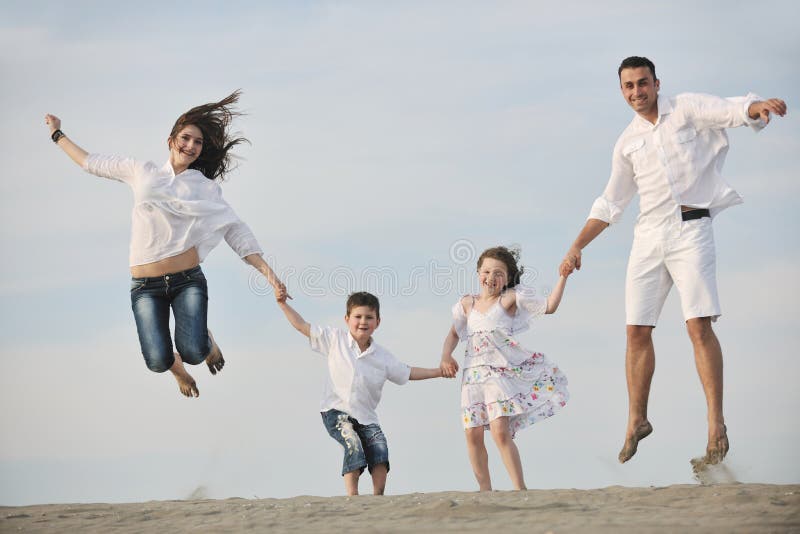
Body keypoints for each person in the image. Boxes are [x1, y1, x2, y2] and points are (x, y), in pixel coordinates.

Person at [560, 56, 787, 466]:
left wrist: (755, 108)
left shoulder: (685, 109)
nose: (636, 92)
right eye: (628, 86)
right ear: (622, 91)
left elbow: (729, 109)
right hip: (648, 237)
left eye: (642, 83)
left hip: (691, 230)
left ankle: (715, 423)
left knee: (698, 326)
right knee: (635, 331)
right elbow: (611, 203)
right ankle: (636, 419)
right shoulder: (626, 142)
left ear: (656, 82)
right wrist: (577, 245)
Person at [44, 91, 286, 398]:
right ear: (170, 140)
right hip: (145, 285)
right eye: (186, 138)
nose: (191, 146)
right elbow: (90, 162)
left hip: (187, 280)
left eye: (198, 143)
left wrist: (269, 274)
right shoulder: (141, 171)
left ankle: (205, 342)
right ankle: (178, 370)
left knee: (195, 351)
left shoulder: (205, 188)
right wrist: (57, 133)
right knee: (157, 361)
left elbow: (235, 230)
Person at [274, 288, 446, 496]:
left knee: (380, 450)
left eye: (369, 317)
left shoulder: (383, 357)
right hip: (335, 411)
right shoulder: (334, 339)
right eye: (357, 316)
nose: (363, 321)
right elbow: (302, 326)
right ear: (347, 319)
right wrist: (283, 304)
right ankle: (353, 497)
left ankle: (377, 498)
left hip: (367, 417)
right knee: (352, 443)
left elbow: (408, 372)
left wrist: (439, 371)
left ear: (378, 322)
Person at [439, 246, 569, 491]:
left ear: (508, 278)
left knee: (500, 431)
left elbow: (550, 306)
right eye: (486, 271)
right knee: (472, 434)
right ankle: (485, 491)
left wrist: (563, 276)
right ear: (478, 273)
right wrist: (446, 356)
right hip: (472, 378)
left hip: (499, 375)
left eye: (498, 273)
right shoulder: (466, 304)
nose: (491, 277)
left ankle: (520, 489)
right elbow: (454, 334)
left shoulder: (509, 299)